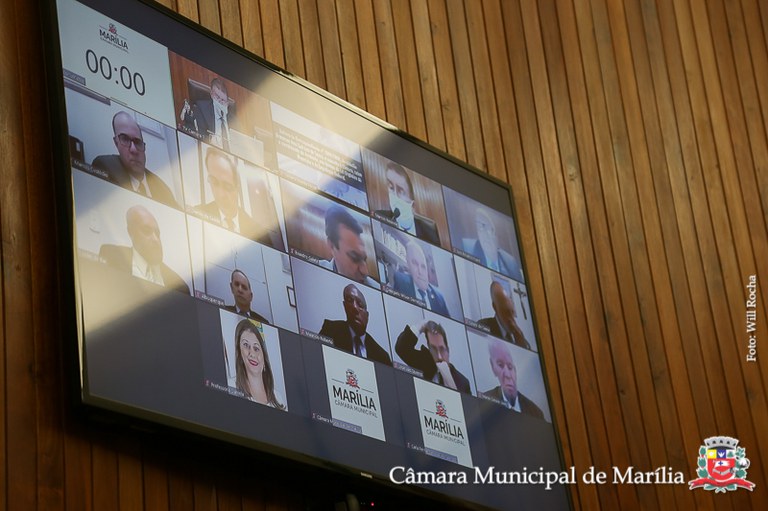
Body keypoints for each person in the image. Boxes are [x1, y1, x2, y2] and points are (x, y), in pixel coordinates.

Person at [92, 111, 179, 208]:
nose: (133, 149)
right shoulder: (105, 167)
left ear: (144, 146)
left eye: (137, 142)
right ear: (116, 143)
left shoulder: (163, 188)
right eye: (125, 139)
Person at [98, 205, 189, 294]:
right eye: (147, 231)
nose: (155, 239)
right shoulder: (112, 255)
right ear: (131, 232)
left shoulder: (180, 285)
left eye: (157, 233)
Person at [194, 148, 273, 247]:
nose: (220, 194)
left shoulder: (261, 236)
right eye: (214, 182)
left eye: (227, 186)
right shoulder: (196, 216)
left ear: (237, 187)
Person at [319, 284, 392, 366]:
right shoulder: (330, 330)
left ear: (367, 315)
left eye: (360, 305)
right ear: (345, 306)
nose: (354, 307)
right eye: (350, 300)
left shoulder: (382, 356)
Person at [395, 320, 471, 394]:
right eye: (434, 349)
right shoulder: (425, 363)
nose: (439, 356)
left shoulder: (463, 382)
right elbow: (401, 348)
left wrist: (449, 380)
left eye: (442, 349)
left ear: (448, 350)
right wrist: (422, 325)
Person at [374, 162, 440, 245]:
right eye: (391, 188)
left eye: (401, 191)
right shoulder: (379, 218)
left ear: (412, 200)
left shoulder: (430, 231)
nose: (395, 196)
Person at [318, 205, 379, 288]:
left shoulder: (375, 287)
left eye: (364, 259)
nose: (365, 271)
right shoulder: (314, 273)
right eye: (355, 258)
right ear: (332, 246)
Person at [480, 339, 543, 418]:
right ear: (493, 368)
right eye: (500, 365)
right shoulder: (482, 403)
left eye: (510, 367)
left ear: (515, 370)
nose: (507, 375)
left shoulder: (536, 412)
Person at [233, 319, 285, 409]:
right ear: (239, 353)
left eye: (256, 348)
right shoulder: (231, 386)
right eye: (246, 345)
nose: (252, 354)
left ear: (264, 357)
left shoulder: (278, 397)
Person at [462, 208, 523, 281]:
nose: (484, 234)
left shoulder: (511, 263)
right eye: (479, 228)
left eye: (486, 227)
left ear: (496, 233)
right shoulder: (467, 249)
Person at [392, 241, 449, 315]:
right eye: (415, 264)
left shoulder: (439, 297)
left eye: (423, 266)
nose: (420, 271)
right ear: (408, 265)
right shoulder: (400, 281)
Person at [478, 281, 531, 349]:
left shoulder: (518, 334)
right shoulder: (482, 326)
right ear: (495, 307)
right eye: (506, 312)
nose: (511, 318)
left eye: (512, 312)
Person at [193, 77, 237, 151]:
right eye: (218, 98)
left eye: (223, 100)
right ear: (212, 95)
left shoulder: (234, 120)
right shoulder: (202, 109)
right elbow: (200, 137)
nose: (220, 103)